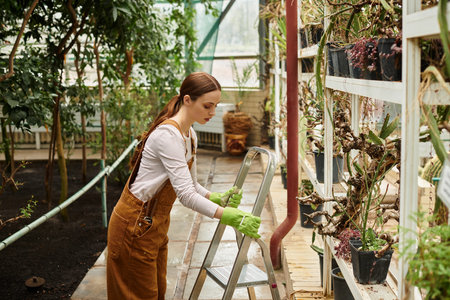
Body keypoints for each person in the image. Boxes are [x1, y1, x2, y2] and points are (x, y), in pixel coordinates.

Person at [106, 72, 261, 300]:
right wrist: (226, 215)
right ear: (187, 99)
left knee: (156, 292)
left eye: (215, 106)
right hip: (133, 226)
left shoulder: (190, 134)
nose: (212, 113)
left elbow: (193, 185)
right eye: (207, 106)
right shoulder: (168, 136)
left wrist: (215, 197)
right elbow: (186, 195)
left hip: (154, 225)